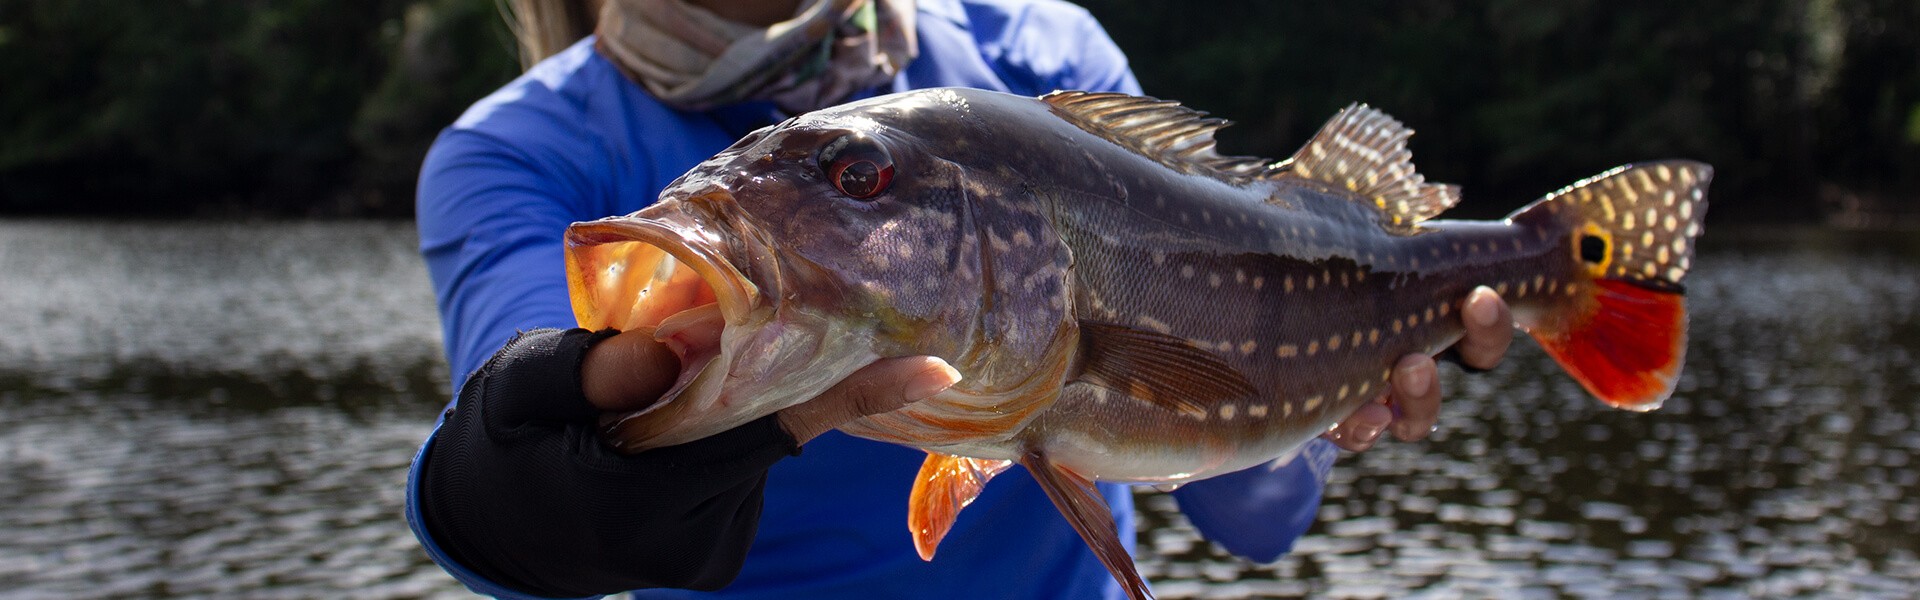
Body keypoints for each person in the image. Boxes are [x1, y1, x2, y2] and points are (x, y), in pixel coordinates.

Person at [405, 0, 1515, 598]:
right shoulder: (514, 154)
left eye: (854, 184)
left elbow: (1253, 522)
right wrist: (542, 475)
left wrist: (1330, 392)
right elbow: (513, 477)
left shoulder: (1042, 49)